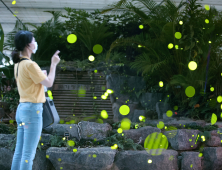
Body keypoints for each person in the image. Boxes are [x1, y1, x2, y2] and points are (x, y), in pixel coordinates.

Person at [10, 30, 60, 170]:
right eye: (33, 40)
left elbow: (30, 82)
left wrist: (42, 75)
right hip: (32, 111)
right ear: (28, 45)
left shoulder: (19, 64)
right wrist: (53, 64)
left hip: (22, 110)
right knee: (28, 154)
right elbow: (49, 83)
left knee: (19, 153)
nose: (35, 43)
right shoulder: (30, 64)